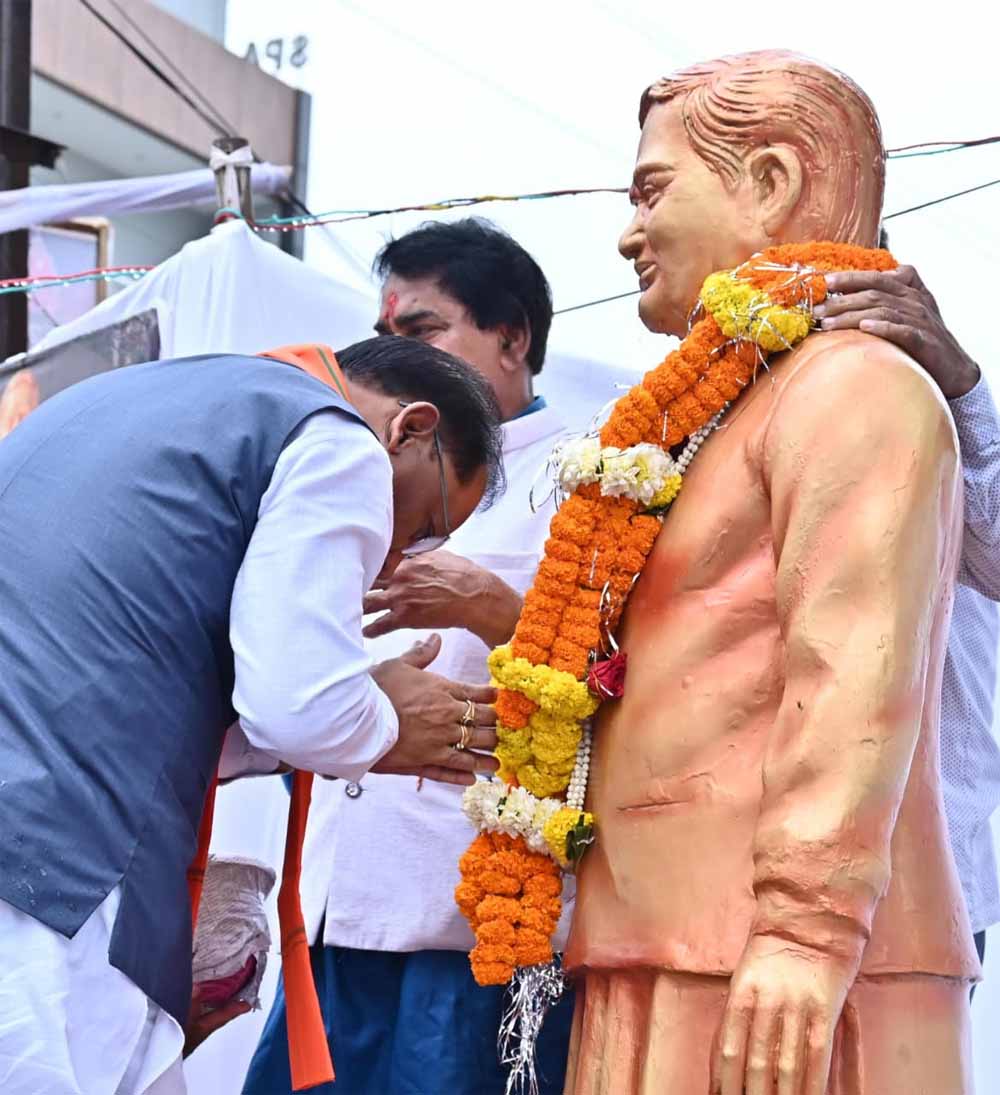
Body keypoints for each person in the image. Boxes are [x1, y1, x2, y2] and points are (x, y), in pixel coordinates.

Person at [563, 50, 979, 1095]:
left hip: (784, 964)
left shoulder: (855, 388)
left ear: (770, 183)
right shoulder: (707, 416)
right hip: (663, 937)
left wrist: (805, 928)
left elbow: (852, 677)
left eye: (651, 191)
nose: (627, 235)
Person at [0, 335, 504, 1095]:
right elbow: (299, 709)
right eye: (421, 526)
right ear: (411, 428)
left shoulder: (134, 396)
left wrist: (336, 712)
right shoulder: (337, 438)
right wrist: (387, 722)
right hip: (51, 872)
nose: (395, 561)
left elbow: (154, 691)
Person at [243, 220, 577, 1095]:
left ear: (513, 338)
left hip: (463, 922)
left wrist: (494, 608)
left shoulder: (593, 479)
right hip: (332, 899)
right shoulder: (338, 454)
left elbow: (636, 677)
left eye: (423, 329)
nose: (396, 353)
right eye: (385, 333)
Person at [814, 257, 1000, 981]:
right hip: (752, 893)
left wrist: (963, 388)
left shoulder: (929, 406)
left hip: (925, 890)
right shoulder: (726, 426)